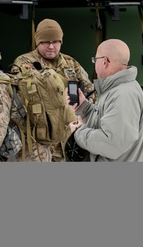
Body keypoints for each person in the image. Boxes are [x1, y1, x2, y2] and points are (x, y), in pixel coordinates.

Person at [9, 18, 94, 162]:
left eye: (55, 42)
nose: (51, 46)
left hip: (69, 133)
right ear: (37, 42)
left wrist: (82, 115)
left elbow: (90, 91)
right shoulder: (24, 63)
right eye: (45, 42)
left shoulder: (70, 63)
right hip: (41, 136)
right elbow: (18, 99)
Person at [67, 39, 143, 162]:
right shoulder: (117, 89)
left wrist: (79, 133)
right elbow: (105, 124)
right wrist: (84, 108)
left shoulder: (122, 94)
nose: (94, 64)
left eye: (95, 60)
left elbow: (112, 144)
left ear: (105, 61)